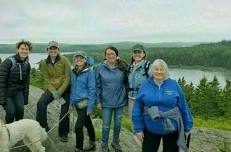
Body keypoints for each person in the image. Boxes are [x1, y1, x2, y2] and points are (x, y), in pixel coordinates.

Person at [132, 59, 193, 152]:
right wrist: (138, 128)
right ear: (152, 71)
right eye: (156, 69)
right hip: (150, 127)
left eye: (162, 69)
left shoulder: (174, 85)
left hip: (172, 127)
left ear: (166, 71)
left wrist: (187, 127)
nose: (159, 72)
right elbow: (137, 107)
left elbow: (183, 106)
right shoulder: (145, 85)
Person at [36, 41, 71, 142]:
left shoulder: (64, 60)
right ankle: (42, 127)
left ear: (58, 50)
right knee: (41, 103)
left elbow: (68, 78)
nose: (53, 50)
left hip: (65, 88)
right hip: (52, 88)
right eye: (51, 48)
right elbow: (46, 80)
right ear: (47, 50)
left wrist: (59, 92)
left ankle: (63, 133)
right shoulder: (44, 63)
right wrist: (53, 91)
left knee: (65, 109)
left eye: (55, 48)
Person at [95, 46, 128, 152]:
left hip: (120, 100)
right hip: (106, 102)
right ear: (105, 56)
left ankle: (115, 142)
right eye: (108, 54)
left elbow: (129, 80)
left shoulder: (122, 66)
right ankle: (104, 144)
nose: (110, 56)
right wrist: (98, 101)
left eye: (112, 54)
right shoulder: (100, 67)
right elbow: (97, 85)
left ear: (116, 55)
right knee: (105, 125)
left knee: (118, 124)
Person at [69, 51, 96, 152]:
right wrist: (71, 104)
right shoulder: (74, 72)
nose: (79, 60)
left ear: (85, 60)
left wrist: (90, 107)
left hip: (85, 104)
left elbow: (92, 90)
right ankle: (93, 142)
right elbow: (73, 89)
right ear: (74, 60)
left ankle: (78, 148)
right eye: (77, 58)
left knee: (78, 127)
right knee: (88, 123)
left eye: (81, 58)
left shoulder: (89, 72)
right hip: (76, 104)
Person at [0, 40, 32, 123]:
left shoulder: (27, 64)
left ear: (29, 51)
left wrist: (25, 98)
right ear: (18, 49)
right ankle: (9, 132)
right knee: (11, 112)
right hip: (7, 92)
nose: (24, 51)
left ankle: (18, 130)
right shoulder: (9, 62)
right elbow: (1, 80)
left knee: (20, 111)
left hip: (18, 91)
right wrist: (2, 98)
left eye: (26, 49)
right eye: (22, 49)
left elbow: (26, 82)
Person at [128, 44, 150, 117]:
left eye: (139, 52)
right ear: (132, 54)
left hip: (144, 100)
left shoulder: (148, 66)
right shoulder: (130, 67)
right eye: (135, 52)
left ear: (143, 54)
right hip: (131, 99)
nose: (137, 54)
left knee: (145, 122)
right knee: (133, 121)